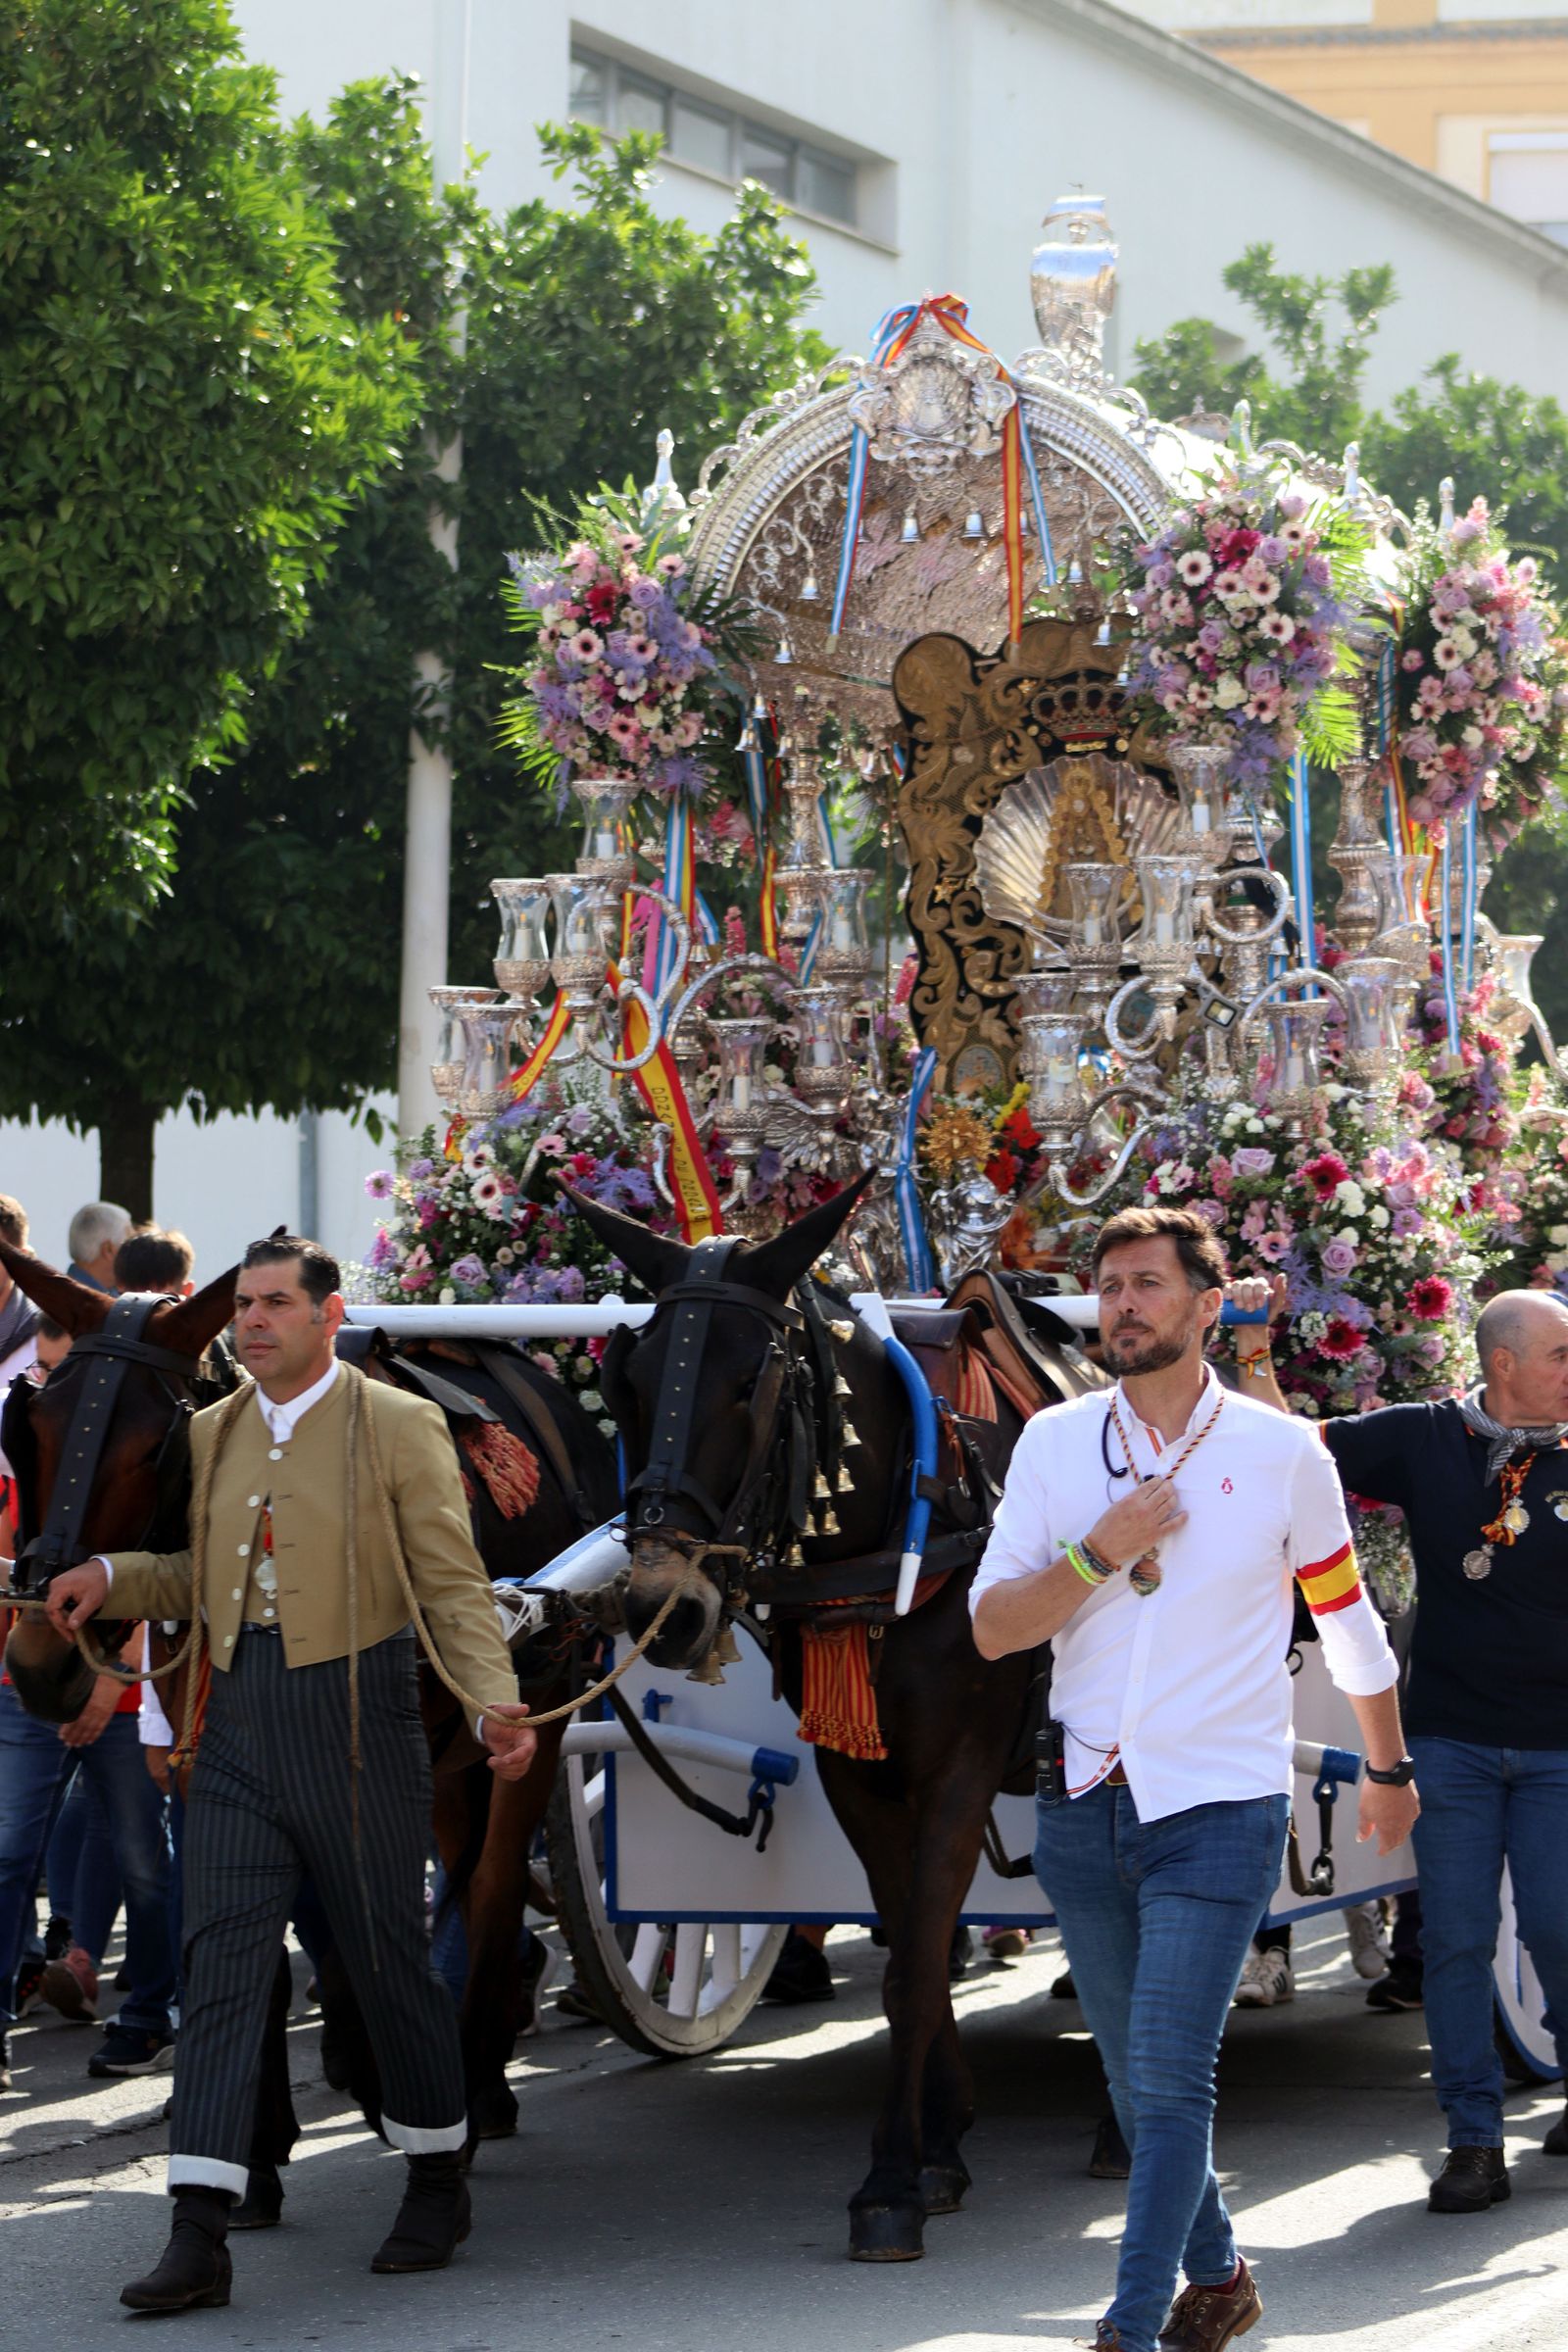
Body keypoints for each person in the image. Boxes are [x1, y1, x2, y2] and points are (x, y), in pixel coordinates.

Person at [46, 1232, 538, 2311]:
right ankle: (199, 2226)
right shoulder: (209, 1430)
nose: (253, 1323)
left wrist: (493, 1701)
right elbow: (191, 1573)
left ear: (328, 1314)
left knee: (379, 1961)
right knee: (219, 1964)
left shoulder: (401, 1424)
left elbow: (451, 1585)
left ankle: (433, 2172)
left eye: (274, 1304)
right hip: (234, 1730)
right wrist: (108, 1573)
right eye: (244, 1308)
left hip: (359, 1724)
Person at [970, 1207, 1416, 2352]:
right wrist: (1097, 1551)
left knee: (1168, 2084)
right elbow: (989, 1630)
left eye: (1146, 1284)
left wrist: (1386, 1764)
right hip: (1080, 1802)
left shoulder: (1281, 1452)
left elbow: (1347, 1619)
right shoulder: (1056, 1444)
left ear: (1208, 1306)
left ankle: (1129, 2328)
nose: (1121, 1303)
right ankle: (1217, 2275)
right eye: (1108, 1286)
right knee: (1133, 2083)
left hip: (1217, 1804)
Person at [1239, 1283, 1568, 2213]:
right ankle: (1474, 2143)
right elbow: (1288, 1448)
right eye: (1560, 1356)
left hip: (1561, 1749)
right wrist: (1255, 1347)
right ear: (1503, 1365)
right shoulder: (1426, 1437)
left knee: (1557, 1927)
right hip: (1450, 1742)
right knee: (1457, 1943)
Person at [67, 1200, 132, 1295]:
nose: (135, 1251)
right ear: (108, 1250)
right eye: (130, 1243)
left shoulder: (56, 1295)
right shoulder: (74, 1302)